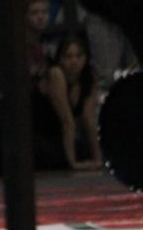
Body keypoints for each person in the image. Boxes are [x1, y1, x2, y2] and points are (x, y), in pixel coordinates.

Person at [32, 32, 102, 171]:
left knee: (84, 151)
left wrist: (98, 160)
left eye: (78, 56)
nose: (74, 61)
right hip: (41, 136)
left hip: (61, 138)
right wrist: (73, 164)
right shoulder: (56, 74)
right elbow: (67, 121)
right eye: (68, 56)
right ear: (60, 59)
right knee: (55, 156)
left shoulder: (89, 77)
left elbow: (89, 120)